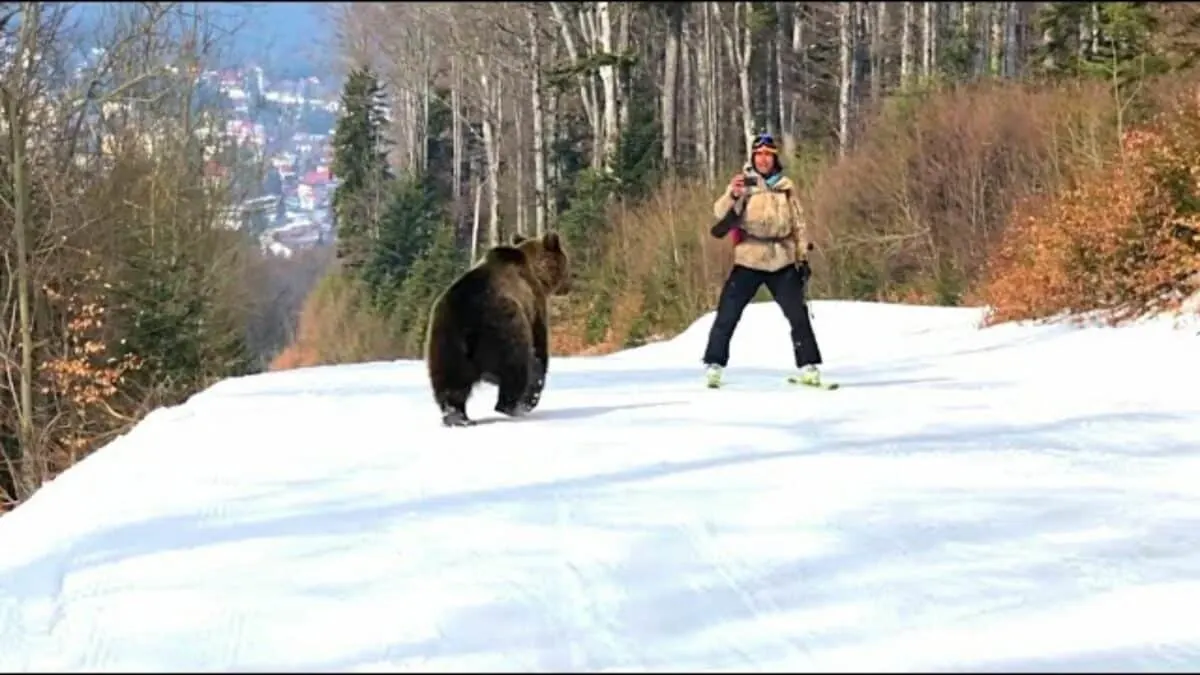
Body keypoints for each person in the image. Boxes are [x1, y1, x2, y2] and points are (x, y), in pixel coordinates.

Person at [702, 132, 824, 389]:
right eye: (759, 155)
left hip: (782, 257)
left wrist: (802, 256)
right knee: (728, 312)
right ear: (753, 157)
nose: (763, 160)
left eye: (768, 155)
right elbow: (719, 212)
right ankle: (714, 364)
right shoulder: (743, 183)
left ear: (775, 159)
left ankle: (809, 366)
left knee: (798, 315)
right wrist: (733, 195)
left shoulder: (786, 188)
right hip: (749, 256)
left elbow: (798, 223)